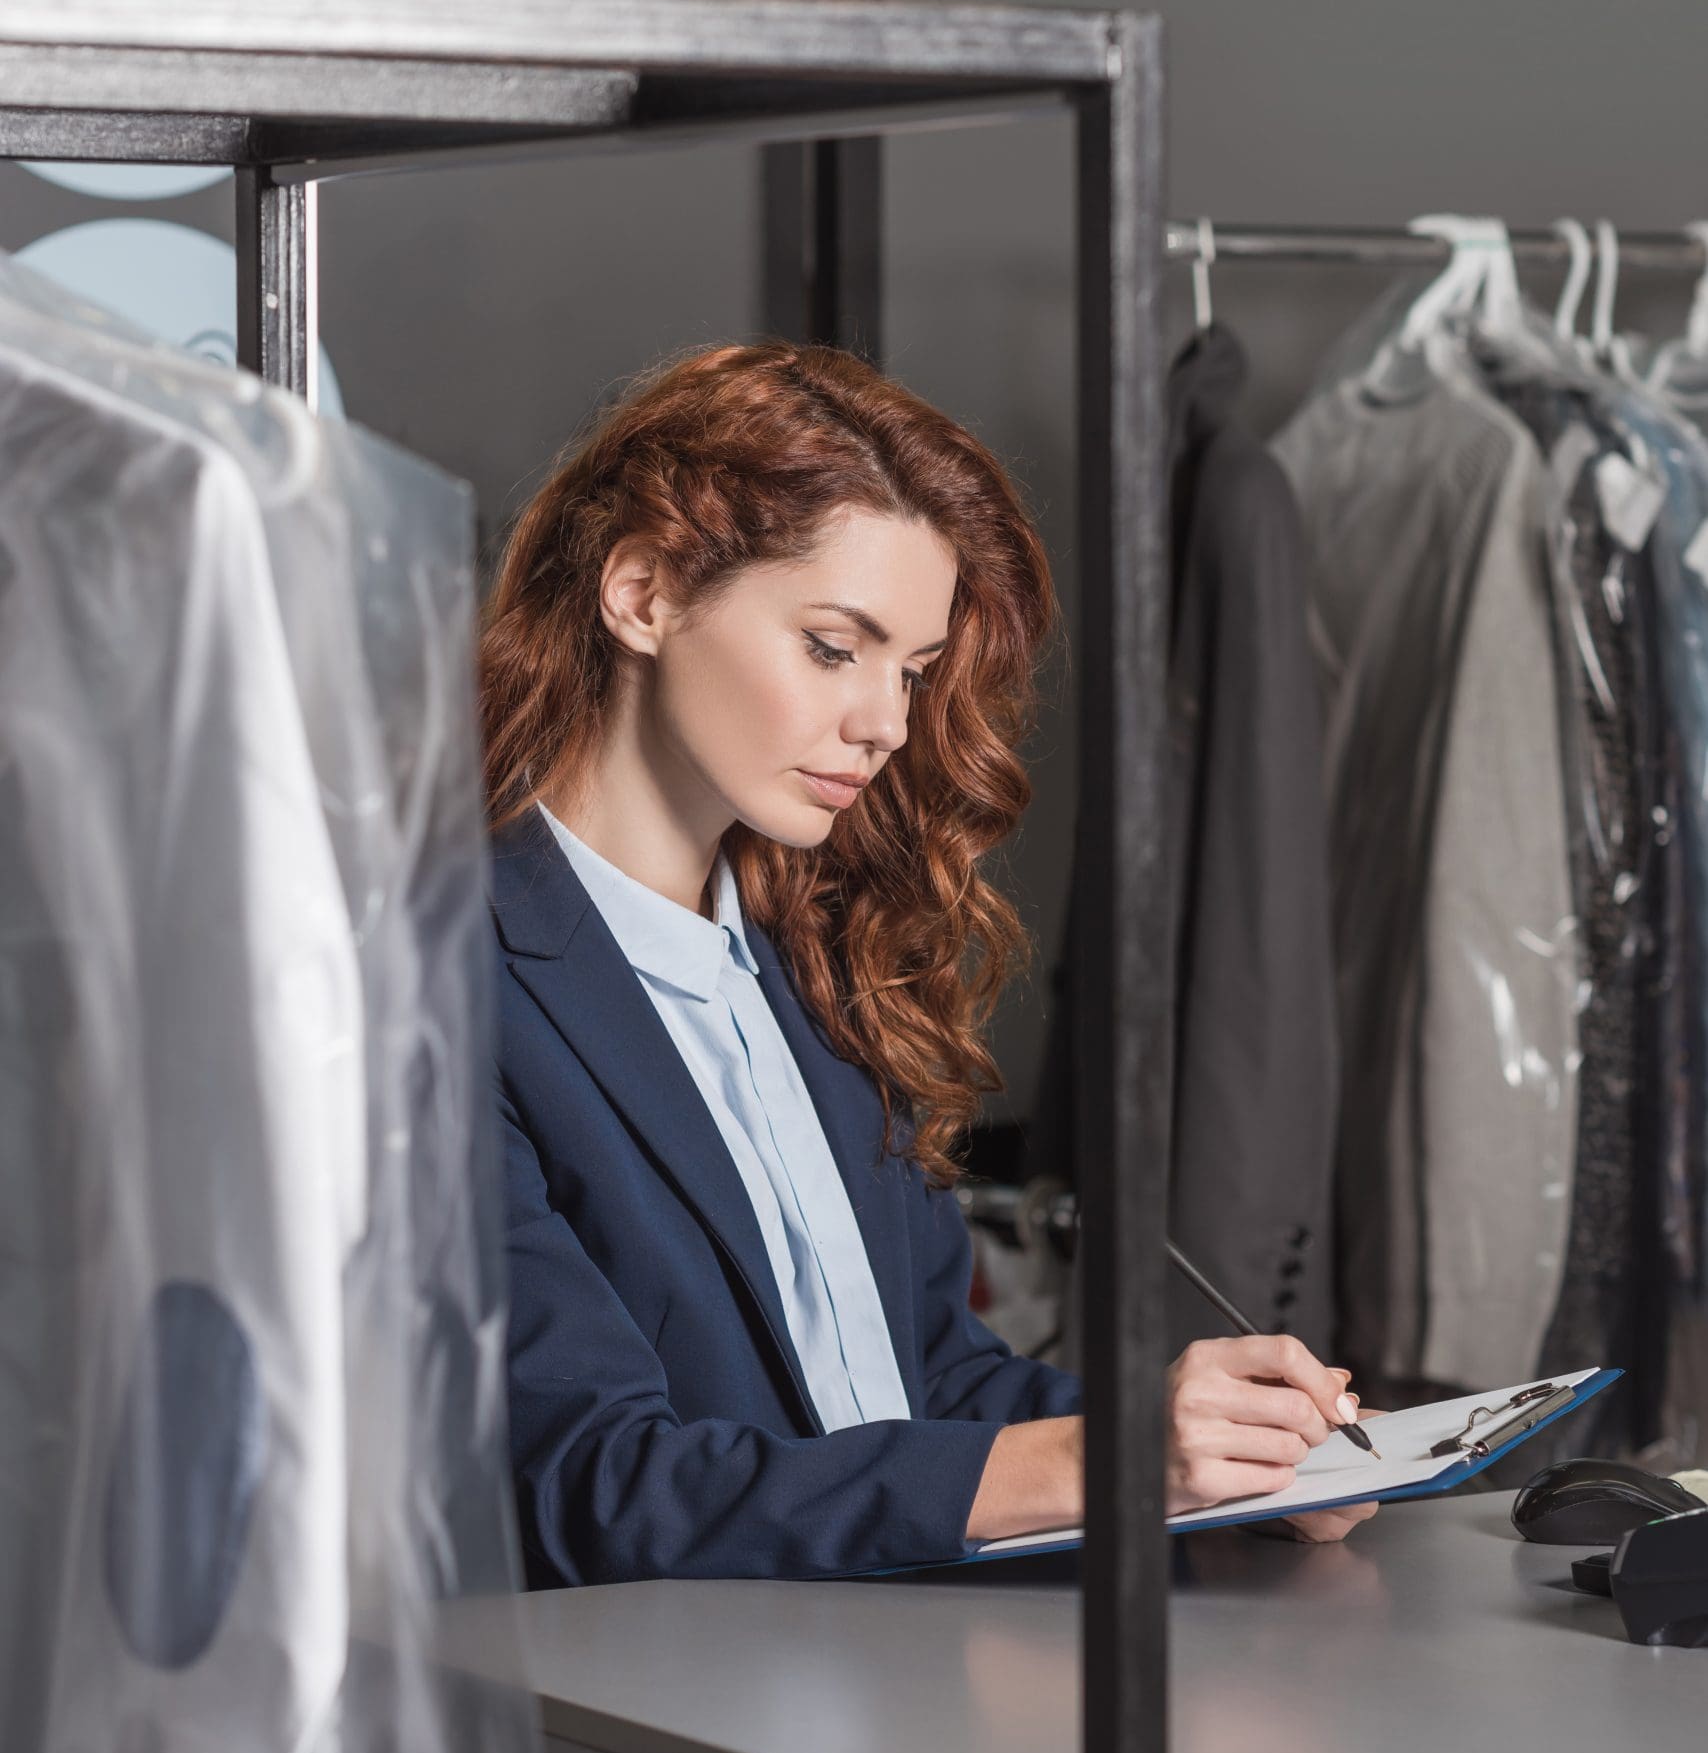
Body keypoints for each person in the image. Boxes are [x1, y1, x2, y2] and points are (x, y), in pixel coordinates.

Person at [480, 341, 1373, 1583]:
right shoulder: (444, 987)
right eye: (835, 648)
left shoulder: (821, 963)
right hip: (663, 1735)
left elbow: (922, 1381)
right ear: (639, 594)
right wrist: (1102, 1468)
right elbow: (591, 1488)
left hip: (904, 1680)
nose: (887, 724)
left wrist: (1225, 1456)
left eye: (913, 669)